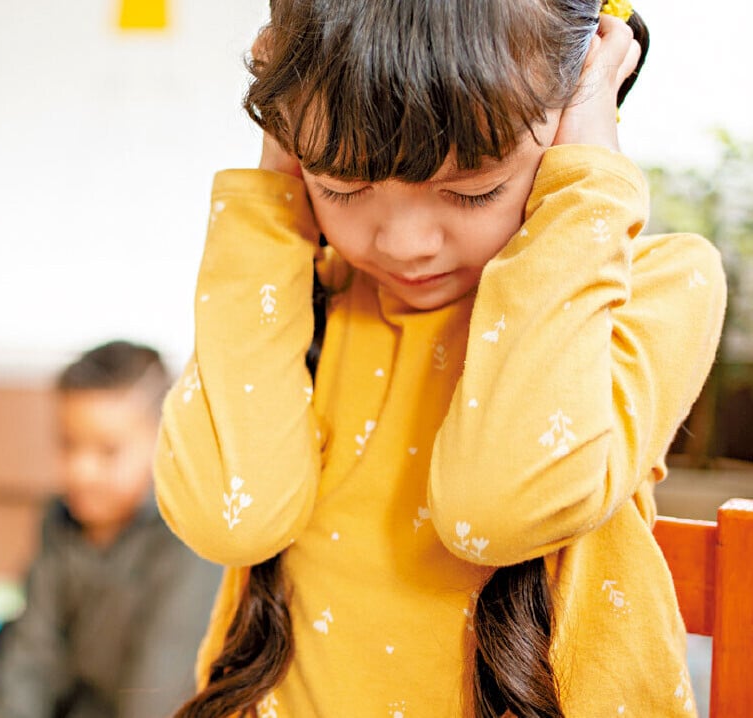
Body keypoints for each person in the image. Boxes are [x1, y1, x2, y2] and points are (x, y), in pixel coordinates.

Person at [154, 1, 726, 716]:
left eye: (472, 190)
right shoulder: (294, 299)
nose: (405, 243)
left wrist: (584, 192)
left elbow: (498, 510)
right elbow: (229, 519)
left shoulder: (661, 286)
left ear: (578, 112)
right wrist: (276, 178)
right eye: (341, 186)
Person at [0, 340, 223, 718]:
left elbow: (159, 689)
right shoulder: (59, 520)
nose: (80, 471)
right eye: (68, 445)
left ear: (164, 443)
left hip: (146, 705)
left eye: (107, 452)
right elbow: (35, 649)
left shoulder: (186, 541)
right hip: (78, 694)